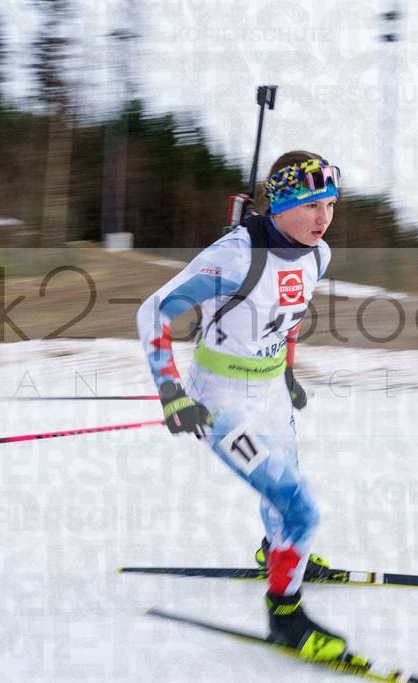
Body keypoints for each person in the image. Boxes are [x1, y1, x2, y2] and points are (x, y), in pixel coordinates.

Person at [136, 151, 346, 661]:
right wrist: (172, 393)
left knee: (284, 498)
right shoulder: (234, 256)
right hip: (221, 402)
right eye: (312, 205)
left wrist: (287, 373)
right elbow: (154, 311)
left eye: (331, 204)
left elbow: (288, 316)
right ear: (281, 203)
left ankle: (278, 552)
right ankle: (286, 617)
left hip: (271, 393)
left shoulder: (318, 254)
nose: (323, 218)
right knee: (300, 507)